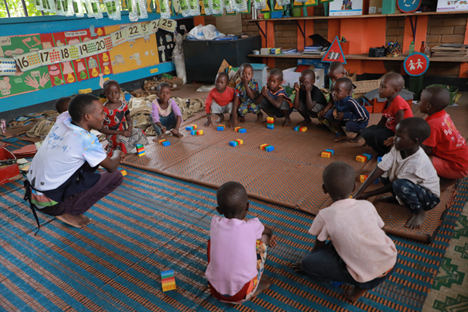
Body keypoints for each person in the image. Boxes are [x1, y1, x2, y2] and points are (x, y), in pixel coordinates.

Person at [292, 161, 397, 303]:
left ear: (324, 189)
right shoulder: (367, 204)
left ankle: (357, 285)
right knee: (356, 244)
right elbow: (382, 230)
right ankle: (356, 293)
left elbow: (319, 246)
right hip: (390, 261)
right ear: (354, 186)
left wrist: (307, 266)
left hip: (363, 274)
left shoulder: (325, 214)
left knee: (308, 262)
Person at [24, 94, 123, 229]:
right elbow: (111, 166)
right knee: (116, 176)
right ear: (87, 116)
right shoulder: (86, 140)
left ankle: (65, 203)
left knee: (91, 160)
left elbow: (71, 108)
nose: (104, 116)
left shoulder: (62, 120)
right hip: (50, 204)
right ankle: (69, 212)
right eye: (101, 113)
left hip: (33, 194)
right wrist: (117, 153)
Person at [355, 117, 440, 229]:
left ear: (413, 142)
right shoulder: (397, 149)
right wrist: (360, 190)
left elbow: (395, 183)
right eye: (395, 134)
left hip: (428, 198)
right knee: (385, 174)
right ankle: (397, 198)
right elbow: (380, 168)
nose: (393, 139)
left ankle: (419, 212)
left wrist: (368, 194)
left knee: (399, 184)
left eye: (399, 137)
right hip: (407, 185)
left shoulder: (417, 162)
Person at [205, 181, 277, 304]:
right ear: (248, 206)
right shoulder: (254, 225)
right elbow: (268, 231)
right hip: (240, 295)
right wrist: (269, 237)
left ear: (218, 210)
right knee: (263, 238)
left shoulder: (214, 222)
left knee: (212, 241)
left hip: (213, 290)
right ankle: (255, 286)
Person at [419, 86, 468, 189]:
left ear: (428, 106)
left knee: (418, 159)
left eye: (420, 100)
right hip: (462, 161)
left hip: (458, 168)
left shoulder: (433, 124)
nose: (418, 103)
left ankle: (440, 181)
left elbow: (424, 151)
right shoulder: (443, 115)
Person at [361, 73, 412, 154]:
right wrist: (369, 138)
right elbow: (383, 120)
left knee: (376, 136)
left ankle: (387, 152)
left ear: (395, 90)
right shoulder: (387, 101)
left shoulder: (399, 104)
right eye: (380, 86)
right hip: (390, 128)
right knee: (367, 131)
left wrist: (395, 139)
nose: (379, 89)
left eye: (383, 87)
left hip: (401, 133)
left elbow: (400, 127)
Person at [100, 80, 148, 156]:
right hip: (112, 134)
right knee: (122, 140)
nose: (114, 95)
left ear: (120, 92)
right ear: (104, 93)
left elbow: (128, 119)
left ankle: (140, 151)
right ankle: (120, 155)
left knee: (139, 132)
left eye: (116, 92)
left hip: (124, 131)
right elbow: (101, 129)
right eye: (110, 93)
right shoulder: (104, 109)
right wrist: (120, 132)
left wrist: (129, 128)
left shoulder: (123, 104)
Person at [324, 78, 369, 142]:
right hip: (345, 119)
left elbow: (364, 117)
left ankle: (362, 133)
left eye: (338, 91)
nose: (334, 93)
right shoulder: (337, 99)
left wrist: (345, 116)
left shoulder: (351, 102)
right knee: (329, 114)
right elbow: (340, 108)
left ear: (347, 93)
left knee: (350, 125)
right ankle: (342, 133)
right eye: (333, 90)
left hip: (359, 122)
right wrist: (335, 110)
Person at [231, 63, 262, 128]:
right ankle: (241, 116)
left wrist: (245, 84)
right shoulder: (238, 86)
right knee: (240, 109)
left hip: (253, 102)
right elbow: (236, 102)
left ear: (252, 75)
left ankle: (260, 114)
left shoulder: (254, 83)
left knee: (254, 107)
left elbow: (252, 96)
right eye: (243, 74)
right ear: (240, 74)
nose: (246, 76)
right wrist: (234, 118)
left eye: (249, 74)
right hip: (244, 103)